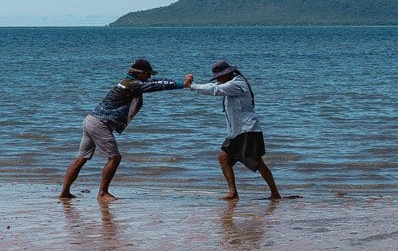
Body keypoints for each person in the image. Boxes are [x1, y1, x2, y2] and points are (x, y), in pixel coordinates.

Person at [59, 58, 194, 202]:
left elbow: (153, 82)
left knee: (81, 158)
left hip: (91, 120)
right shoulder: (131, 85)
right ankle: (102, 193)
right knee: (115, 158)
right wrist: (182, 84)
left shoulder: (128, 83)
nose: (149, 76)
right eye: (147, 73)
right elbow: (156, 85)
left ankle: (65, 192)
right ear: (139, 73)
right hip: (100, 123)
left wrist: (180, 83)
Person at [188, 59, 281, 201]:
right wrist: (193, 85)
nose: (218, 80)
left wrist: (192, 86)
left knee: (257, 162)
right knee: (224, 158)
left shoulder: (237, 84)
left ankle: (274, 193)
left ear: (228, 73)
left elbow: (216, 90)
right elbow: (214, 86)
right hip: (238, 132)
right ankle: (234, 193)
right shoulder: (229, 83)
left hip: (248, 130)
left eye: (220, 77)